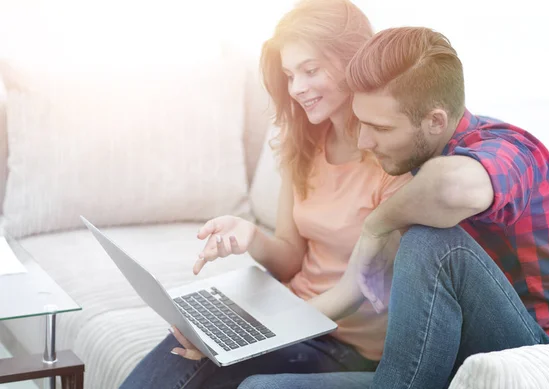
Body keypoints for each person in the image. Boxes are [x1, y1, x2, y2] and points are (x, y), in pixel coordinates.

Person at [238, 26, 549, 389]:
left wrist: (377, 223)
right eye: (361, 121)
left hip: (541, 356)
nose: (364, 140)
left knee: (431, 243)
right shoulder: (413, 177)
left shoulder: (513, 150)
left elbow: (451, 187)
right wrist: (249, 333)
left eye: (379, 127)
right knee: (258, 387)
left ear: (436, 121)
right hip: (448, 363)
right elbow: (352, 292)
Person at [119, 2, 412, 388]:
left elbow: (360, 290)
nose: (297, 88)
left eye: (311, 71)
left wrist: (263, 329)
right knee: (186, 344)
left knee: (209, 361)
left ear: (354, 60)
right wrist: (251, 237)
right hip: (292, 312)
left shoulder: (392, 160)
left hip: (349, 347)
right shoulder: (304, 142)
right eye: (291, 75)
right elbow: (291, 259)